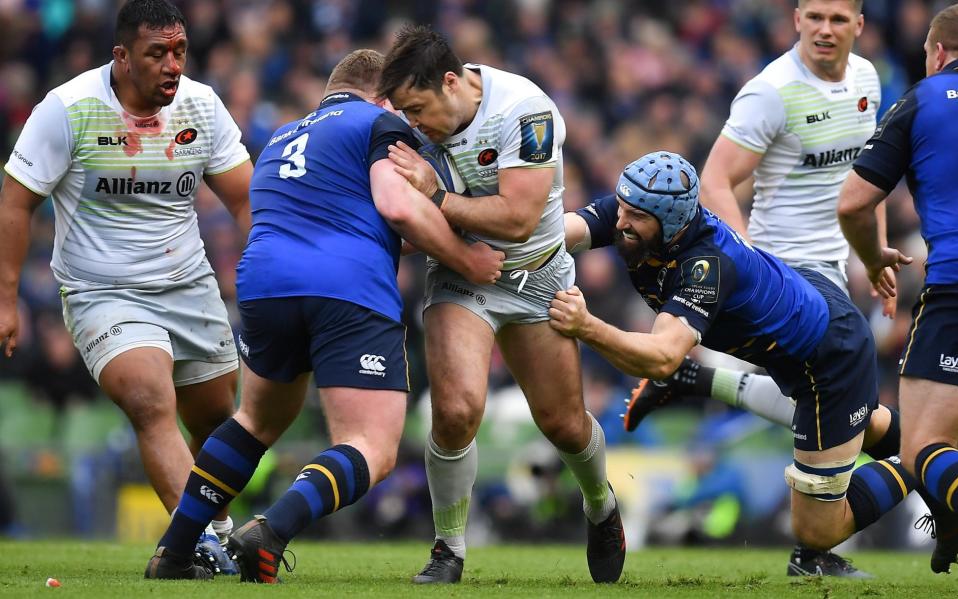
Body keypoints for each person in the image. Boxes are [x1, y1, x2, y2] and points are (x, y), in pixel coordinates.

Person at [145, 48, 505, 581]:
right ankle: (270, 532)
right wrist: (465, 257)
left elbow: (341, 215)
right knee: (372, 446)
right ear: (383, 95)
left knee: (254, 421)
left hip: (266, 283)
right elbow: (398, 206)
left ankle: (173, 554)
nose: (409, 116)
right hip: (345, 285)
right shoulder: (379, 123)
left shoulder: (282, 137)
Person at [623, 0, 903, 574]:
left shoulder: (868, 79)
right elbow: (716, 179)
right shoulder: (770, 91)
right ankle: (822, 540)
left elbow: (865, 179)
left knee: (845, 407)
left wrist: (873, 257)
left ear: (859, 26)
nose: (825, 29)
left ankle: (696, 380)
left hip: (833, 264)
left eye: (838, 19)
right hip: (789, 268)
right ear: (796, 18)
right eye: (814, 16)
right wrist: (749, 261)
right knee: (842, 393)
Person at [556, 150, 914, 577]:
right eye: (622, 208)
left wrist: (586, 325)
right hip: (799, 322)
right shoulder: (642, 208)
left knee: (814, 532)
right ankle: (931, 448)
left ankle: (924, 460)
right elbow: (559, 231)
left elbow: (663, 356)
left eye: (634, 216)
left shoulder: (705, 264)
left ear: (670, 222)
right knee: (867, 427)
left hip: (829, 359)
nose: (620, 223)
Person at [0, 0, 248, 572]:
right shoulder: (69, 109)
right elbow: (15, 205)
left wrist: (264, 271)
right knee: (149, 400)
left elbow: (245, 198)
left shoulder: (201, 106)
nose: (172, 65)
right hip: (101, 292)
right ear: (122, 57)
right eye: (156, 53)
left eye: (179, 51)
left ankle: (222, 528)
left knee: (217, 419)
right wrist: (7, 299)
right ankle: (200, 543)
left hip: (189, 283)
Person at [378, 25, 625, 584]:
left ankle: (599, 504)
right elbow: (410, 221)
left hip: (538, 275)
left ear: (450, 82)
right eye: (405, 114)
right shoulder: (413, 128)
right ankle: (449, 548)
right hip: (462, 275)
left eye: (419, 109)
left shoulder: (525, 110)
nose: (414, 125)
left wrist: (436, 197)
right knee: (458, 410)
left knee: (563, 425)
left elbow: (517, 218)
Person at [838, 3, 958, 575]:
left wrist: (873, 257)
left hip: (955, 288)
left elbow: (855, 203)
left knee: (921, 448)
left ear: (936, 53)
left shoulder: (922, 100)